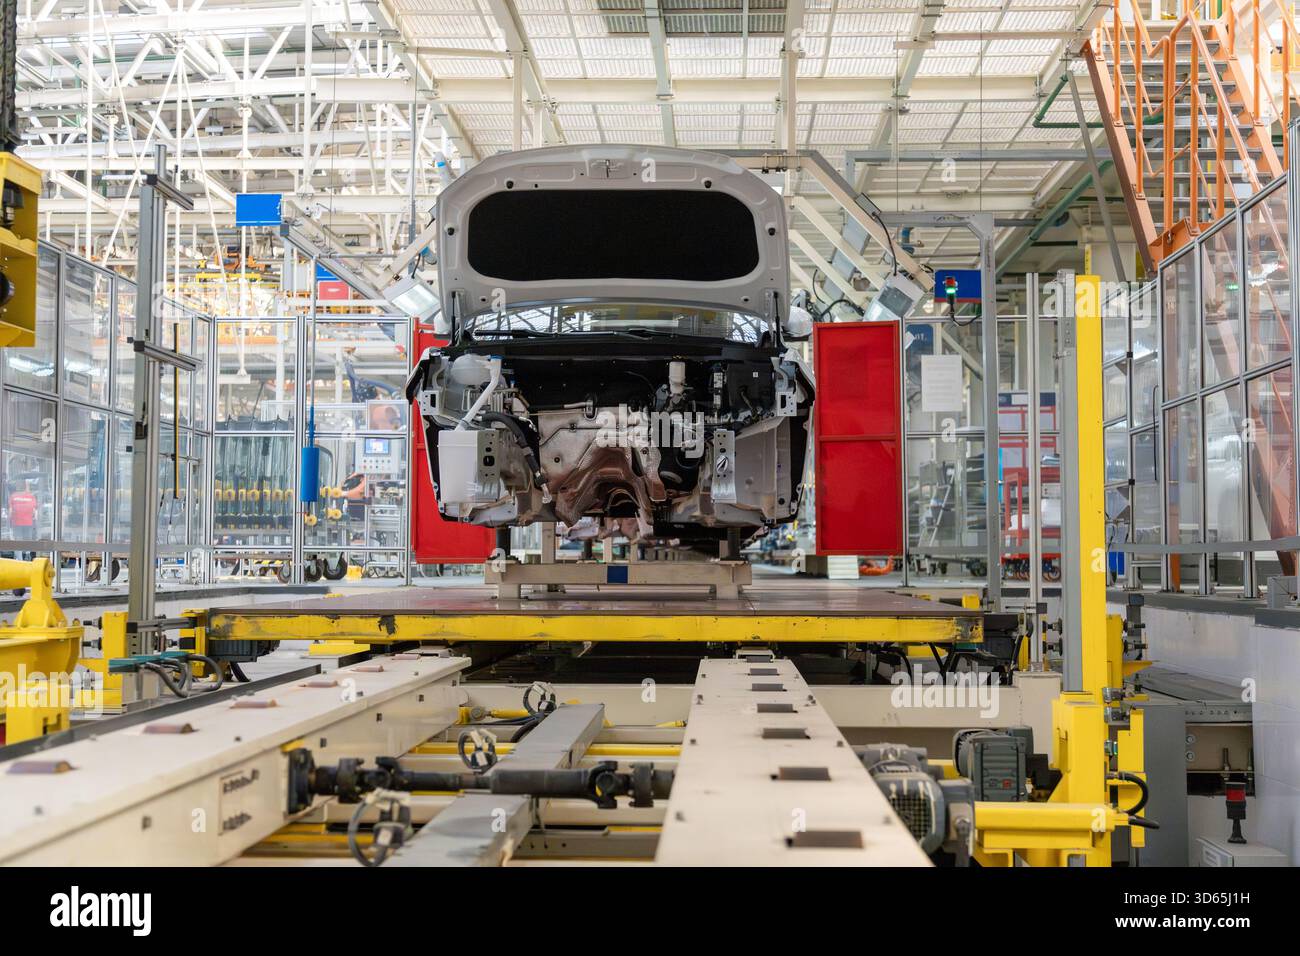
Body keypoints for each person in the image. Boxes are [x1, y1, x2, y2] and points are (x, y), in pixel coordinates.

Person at [7, 481, 38, 561]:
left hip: (16, 522)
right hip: (28, 523)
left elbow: (10, 512)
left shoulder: (13, 496)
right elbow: (35, 513)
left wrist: (10, 522)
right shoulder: (31, 496)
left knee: (18, 541)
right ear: (26, 487)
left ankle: (20, 559)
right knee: (27, 540)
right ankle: (27, 555)